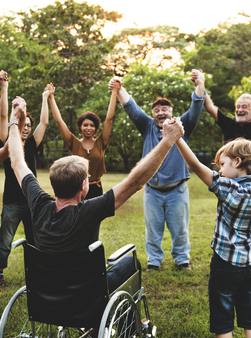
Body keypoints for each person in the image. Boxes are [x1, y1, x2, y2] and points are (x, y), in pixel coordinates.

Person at [8, 97, 185, 292]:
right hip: (88, 290)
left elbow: (17, 162)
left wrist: (14, 120)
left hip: (49, 290)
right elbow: (135, 182)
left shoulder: (38, 204)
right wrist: (168, 141)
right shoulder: (91, 210)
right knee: (130, 263)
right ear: (84, 186)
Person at [171, 115, 251, 338]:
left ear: (237, 162)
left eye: (221, 164)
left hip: (224, 264)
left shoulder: (227, 187)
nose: (218, 170)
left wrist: (177, 139)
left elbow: (195, 166)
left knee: (222, 318)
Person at [109, 71, 206, 272]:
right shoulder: (146, 127)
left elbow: (196, 106)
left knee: (179, 230)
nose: (161, 112)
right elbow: (131, 107)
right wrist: (119, 89)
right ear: (153, 114)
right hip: (152, 190)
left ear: (171, 112)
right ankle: (154, 261)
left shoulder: (182, 126)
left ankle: (182, 260)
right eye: (157, 110)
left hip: (177, 190)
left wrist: (200, 84)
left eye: (165, 109)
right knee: (153, 230)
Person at [203, 84, 251, 280]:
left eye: (244, 106)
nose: (239, 109)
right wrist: (199, 85)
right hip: (229, 183)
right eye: (237, 106)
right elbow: (210, 107)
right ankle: (235, 258)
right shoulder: (230, 124)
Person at [0, 75, 50, 286]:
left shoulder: (31, 144)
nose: (27, 127)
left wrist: (45, 97)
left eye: (30, 125)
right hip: (12, 201)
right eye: (24, 123)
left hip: (32, 202)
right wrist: (4, 87)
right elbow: (4, 116)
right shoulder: (9, 142)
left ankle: (36, 272)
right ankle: (0, 273)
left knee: (35, 240)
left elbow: (45, 121)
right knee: (4, 242)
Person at [47, 82, 118, 199]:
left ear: (96, 128)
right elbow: (59, 121)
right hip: (76, 188)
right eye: (85, 125)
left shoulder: (101, 142)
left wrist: (114, 92)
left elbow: (109, 119)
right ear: (80, 127)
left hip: (96, 188)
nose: (89, 128)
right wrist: (51, 97)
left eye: (92, 125)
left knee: (95, 217)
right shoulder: (73, 143)